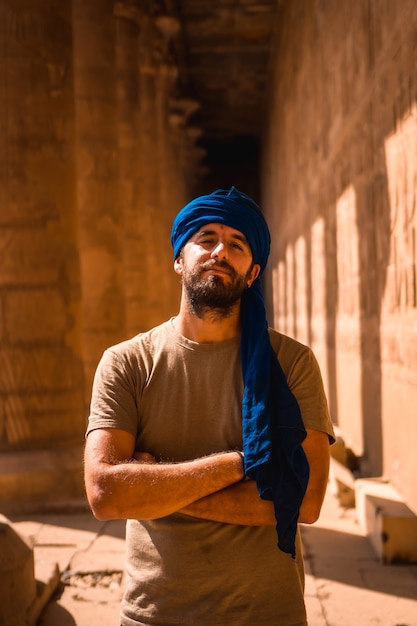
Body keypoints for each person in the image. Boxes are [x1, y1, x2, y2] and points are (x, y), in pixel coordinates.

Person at [84, 187, 335, 626]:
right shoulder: (126, 362)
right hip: (155, 615)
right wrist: (241, 465)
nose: (220, 251)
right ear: (179, 259)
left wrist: (153, 488)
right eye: (206, 238)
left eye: (237, 244)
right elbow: (105, 494)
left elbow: (306, 502)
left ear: (253, 272)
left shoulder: (292, 363)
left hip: (268, 615)